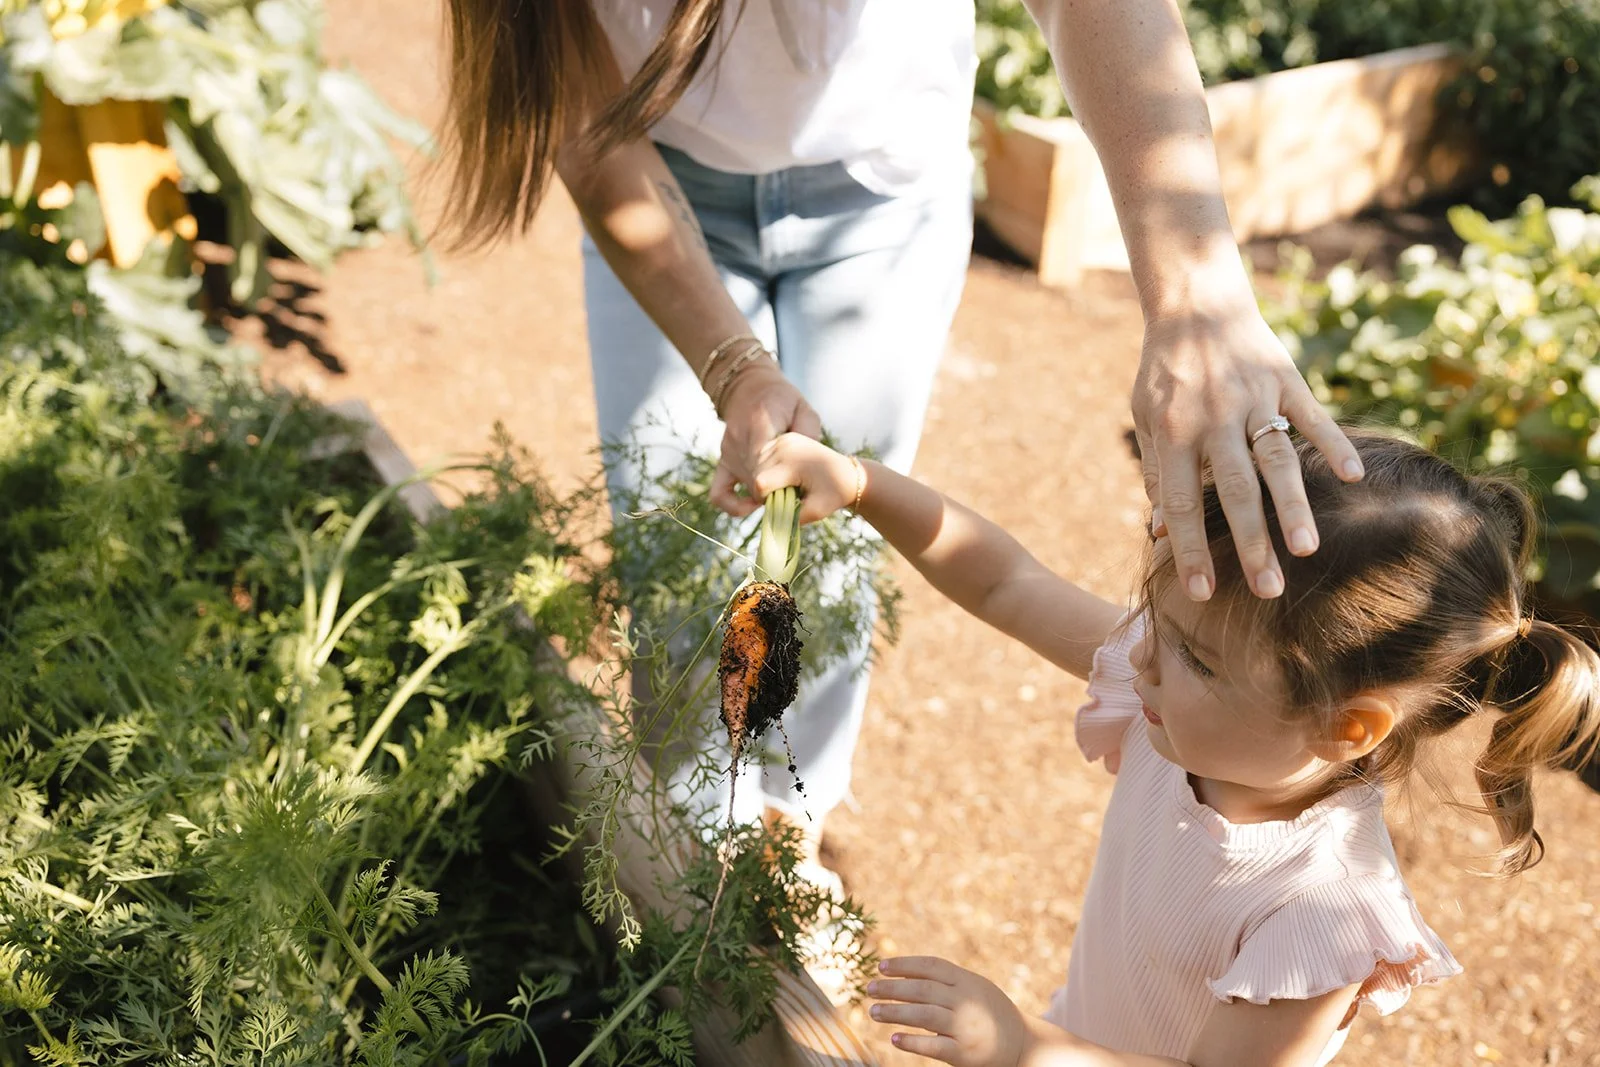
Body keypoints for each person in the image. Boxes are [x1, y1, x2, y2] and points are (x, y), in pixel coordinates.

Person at [435, 0, 1363, 852]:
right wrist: (736, 366)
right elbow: (586, 126)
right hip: (659, 175)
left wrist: (1195, 295)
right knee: (677, 547)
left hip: (881, 190)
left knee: (833, 559)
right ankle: (688, 845)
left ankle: (790, 820)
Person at [747, 424, 1600, 1065]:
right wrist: (861, 484)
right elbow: (1008, 580)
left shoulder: (1325, 911)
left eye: (1195, 654)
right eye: (1160, 619)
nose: (1142, 655)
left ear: (1346, 725)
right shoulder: (1186, 711)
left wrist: (1024, 1045)